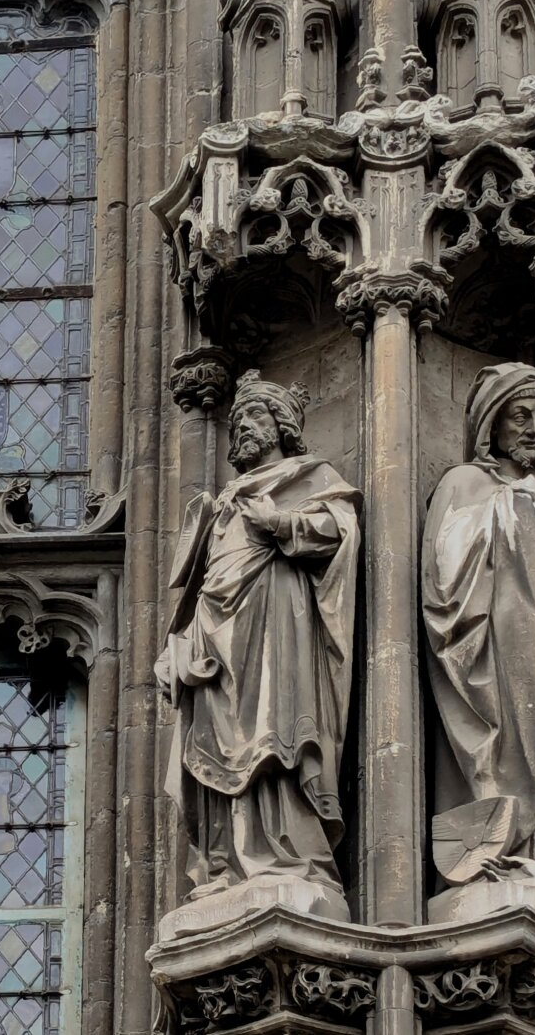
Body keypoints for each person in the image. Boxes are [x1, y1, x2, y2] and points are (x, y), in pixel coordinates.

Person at [156, 370, 361, 905]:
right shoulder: (220, 501)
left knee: (274, 736)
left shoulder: (310, 477)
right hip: (215, 633)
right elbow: (198, 582)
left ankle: (288, 855)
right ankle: (227, 864)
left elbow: (340, 531)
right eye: (237, 420)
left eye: (254, 418)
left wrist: (281, 523)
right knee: (215, 737)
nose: (242, 428)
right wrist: (178, 644)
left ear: (282, 425)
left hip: (277, 626)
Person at [423, 362, 535, 888]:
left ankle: (534, 853)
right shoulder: (467, 482)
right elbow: (445, 574)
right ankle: (491, 852)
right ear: (493, 423)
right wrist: (507, 508)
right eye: (522, 415)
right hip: (494, 641)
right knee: (509, 733)